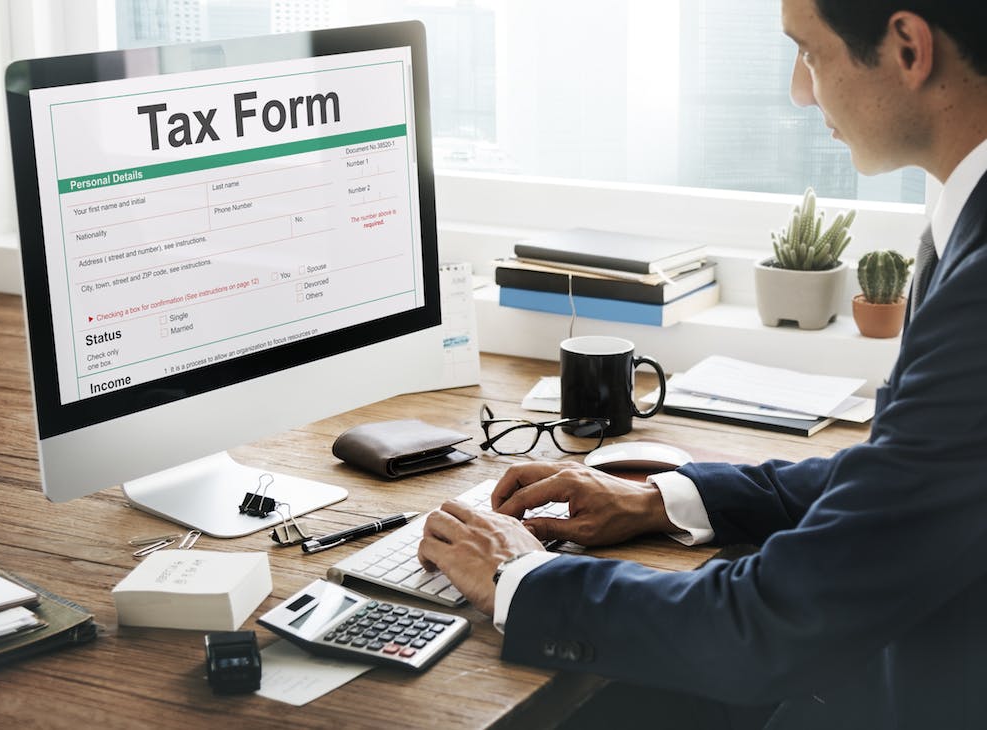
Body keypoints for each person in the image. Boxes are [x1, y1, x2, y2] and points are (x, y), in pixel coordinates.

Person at [417, 1, 987, 727]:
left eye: (808, 52)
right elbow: (908, 476)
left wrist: (519, 576)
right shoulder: (965, 218)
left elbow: (773, 627)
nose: (799, 90)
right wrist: (667, 499)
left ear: (908, 48)